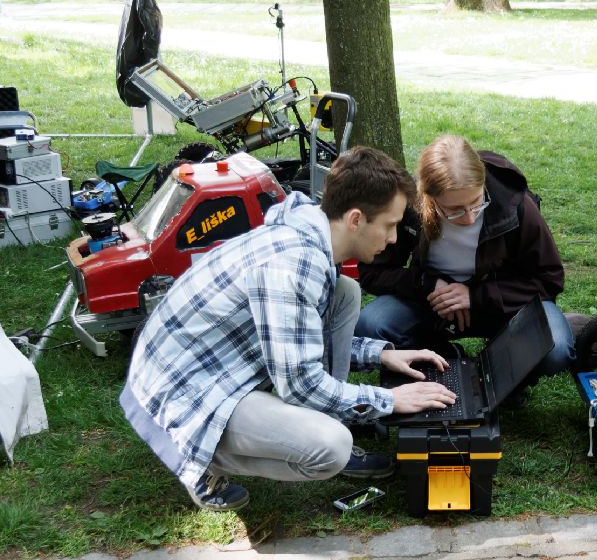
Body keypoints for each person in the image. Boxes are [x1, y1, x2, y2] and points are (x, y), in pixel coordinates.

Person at [121, 147, 457, 512]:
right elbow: (300, 384)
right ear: (356, 219)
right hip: (185, 393)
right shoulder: (293, 266)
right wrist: (389, 400)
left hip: (214, 365)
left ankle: (333, 414)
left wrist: (382, 355)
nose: (393, 239)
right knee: (332, 447)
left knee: (345, 293)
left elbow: (301, 336)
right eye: (390, 225)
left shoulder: (311, 232)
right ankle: (201, 461)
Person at [354, 135, 575, 396]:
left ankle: (503, 377)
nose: (469, 218)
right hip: (435, 305)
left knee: (556, 348)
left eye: (477, 203)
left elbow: (549, 278)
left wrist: (475, 296)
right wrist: (429, 285)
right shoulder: (408, 208)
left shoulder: (514, 204)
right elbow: (373, 272)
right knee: (371, 324)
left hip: (502, 305)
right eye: (455, 210)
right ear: (430, 199)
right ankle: (443, 357)